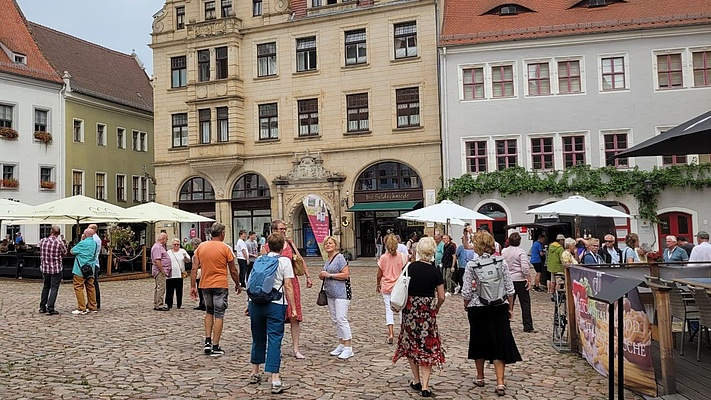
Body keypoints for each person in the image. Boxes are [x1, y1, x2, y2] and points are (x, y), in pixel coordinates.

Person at [462, 230, 521, 397]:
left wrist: (466, 305)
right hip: (498, 306)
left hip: (478, 306)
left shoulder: (472, 265)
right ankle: (500, 381)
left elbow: (466, 291)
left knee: (478, 341)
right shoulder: (501, 263)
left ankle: (480, 377)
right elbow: (510, 288)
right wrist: (510, 308)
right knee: (499, 343)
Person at [393, 237, 445, 398]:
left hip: (410, 312)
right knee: (427, 346)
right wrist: (435, 307)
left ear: (418, 251)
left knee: (411, 345)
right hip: (427, 313)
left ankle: (416, 379)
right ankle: (425, 385)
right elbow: (442, 296)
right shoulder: (435, 271)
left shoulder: (409, 267)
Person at [247, 233, 297, 394]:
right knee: (275, 339)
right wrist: (293, 307)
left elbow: (251, 282)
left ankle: (255, 372)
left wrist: (249, 303)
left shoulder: (259, 260)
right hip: (275, 304)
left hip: (256, 303)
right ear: (283, 246)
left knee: (257, 337)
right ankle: (275, 379)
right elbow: (288, 285)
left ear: (267, 245)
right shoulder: (284, 261)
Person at [262, 219, 313, 359]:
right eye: (280, 229)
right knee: (276, 317)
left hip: (292, 283)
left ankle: (296, 349)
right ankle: (275, 348)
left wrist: (308, 276)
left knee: (294, 317)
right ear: (273, 230)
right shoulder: (266, 247)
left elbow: (299, 260)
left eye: (284, 229)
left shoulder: (290, 243)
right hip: (275, 285)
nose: (283, 231)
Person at [190, 222, 241, 356]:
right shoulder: (225, 248)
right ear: (222, 234)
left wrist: (192, 286)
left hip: (205, 284)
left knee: (209, 312)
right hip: (220, 284)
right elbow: (233, 270)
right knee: (219, 314)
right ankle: (216, 345)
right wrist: (237, 283)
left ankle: (207, 341)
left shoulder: (201, 247)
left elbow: (194, 268)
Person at [318, 236, 354, 359]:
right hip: (330, 293)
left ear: (335, 245)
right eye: (326, 244)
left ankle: (349, 346)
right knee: (335, 320)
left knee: (341, 318)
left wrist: (330, 275)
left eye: (330, 243)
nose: (328, 245)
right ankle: (341, 343)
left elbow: (346, 274)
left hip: (341, 293)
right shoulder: (328, 259)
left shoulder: (340, 258)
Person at [501, 232, 533, 333]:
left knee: (508, 302)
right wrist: (527, 276)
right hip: (519, 279)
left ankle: (505, 323)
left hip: (508, 279)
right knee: (525, 302)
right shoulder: (520, 252)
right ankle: (527, 325)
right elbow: (524, 266)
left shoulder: (504, 251)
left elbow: (502, 264)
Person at [377, 234, 407, 344]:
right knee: (401, 309)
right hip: (399, 287)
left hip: (387, 286)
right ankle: (403, 333)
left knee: (388, 310)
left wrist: (377, 284)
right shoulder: (403, 256)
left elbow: (379, 274)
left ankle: (391, 333)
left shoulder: (383, 258)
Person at [38, 225, 67, 315]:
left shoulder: (42, 241)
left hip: (45, 268)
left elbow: (40, 251)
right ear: (58, 233)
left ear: (51, 231)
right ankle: (50, 307)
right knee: (54, 288)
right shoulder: (59, 243)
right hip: (56, 268)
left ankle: (42, 307)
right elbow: (65, 253)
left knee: (46, 286)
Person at [70, 228, 99, 315]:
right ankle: (92, 307)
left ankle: (82, 308)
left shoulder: (82, 243)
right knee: (90, 287)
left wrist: (81, 240)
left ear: (85, 235)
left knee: (78, 287)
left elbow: (72, 251)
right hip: (90, 269)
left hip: (80, 269)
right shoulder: (95, 243)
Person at [166, 238, 190, 309]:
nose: (176, 246)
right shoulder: (168, 252)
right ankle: (169, 304)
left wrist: (185, 258)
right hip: (170, 274)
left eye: (178, 244)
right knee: (169, 290)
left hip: (179, 274)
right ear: (172, 245)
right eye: (174, 244)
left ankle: (179, 304)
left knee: (179, 291)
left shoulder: (182, 251)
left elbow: (188, 260)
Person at [151, 233, 172, 311]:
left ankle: (157, 303)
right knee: (161, 287)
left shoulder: (160, 247)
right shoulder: (157, 247)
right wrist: (162, 270)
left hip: (160, 270)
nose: (167, 241)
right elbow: (157, 260)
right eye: (166, 239)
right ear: (163, 239)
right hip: (159, 271)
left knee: (159, 287)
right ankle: (159, 304)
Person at [88, 224, 102, 310]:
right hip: (94, 263)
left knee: (93, 284)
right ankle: (93, 301)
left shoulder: (95, 239)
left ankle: (95, 302)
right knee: (92, 284)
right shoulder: (94, 238)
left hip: (93, 264)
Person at [191, 238, 206, 310]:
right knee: (200, 288)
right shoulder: (202, 250)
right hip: (201, 271)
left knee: (201, 288)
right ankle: (202, 303)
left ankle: (203, 303)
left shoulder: (198, 251)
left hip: (200, 271)